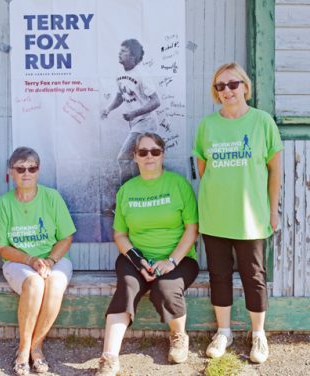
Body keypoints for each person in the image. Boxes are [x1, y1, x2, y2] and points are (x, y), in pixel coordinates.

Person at [193, 62, 283, 364]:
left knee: (254, 276)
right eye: (220, 86)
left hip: (252, 218)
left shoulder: (262, 122)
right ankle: (224, 331)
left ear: (245, 86)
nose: (227, 90)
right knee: (219, 276)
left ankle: (258, 334)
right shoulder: (207, 125)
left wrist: (272, 211)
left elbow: (274, 172)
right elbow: (204, 170)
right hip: (215, 215)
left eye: (233, 84)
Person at [95, 132, 200, 376]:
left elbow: (192, 229)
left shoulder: (178, 185)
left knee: (165, 289)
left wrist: (171, 261)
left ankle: (178, 335)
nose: (149, 156)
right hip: (136, 258)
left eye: (155, 151)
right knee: (127, 288)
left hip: (180, 258)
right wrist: (138, 260)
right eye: (143, 152)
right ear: (135, 157)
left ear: (163, 154)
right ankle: (109, 358)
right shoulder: (127, 191)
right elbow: (120, 234)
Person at [0, 147, 76, 375]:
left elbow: (66, 237)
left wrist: (49, 260)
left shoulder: (52, 197)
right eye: (20, 168)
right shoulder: (4, 203)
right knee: (35, 284)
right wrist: (30, 260)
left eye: (32, 168)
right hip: (19, 261)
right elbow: (2, 247)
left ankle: (35, 347)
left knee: (55, 283)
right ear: (11, 172)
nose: (26, 173)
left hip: (54, 258)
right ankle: (23, 350)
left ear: (38, 171)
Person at [101, 39, 161, 184]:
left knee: (123, 158)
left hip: (146, 123)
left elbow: (156, 101)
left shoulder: (141, 73)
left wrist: (134, 113)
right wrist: (108, 109)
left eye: (124, 51)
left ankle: (125, 194)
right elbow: (120, 96)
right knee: (136, 162)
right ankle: (138, 194)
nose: (119, 53)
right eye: (120, 50)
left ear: (133, 56)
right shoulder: (119, 73)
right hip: (135, 124)